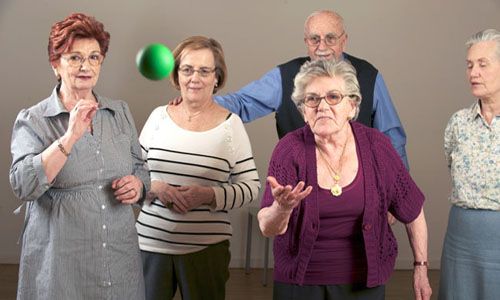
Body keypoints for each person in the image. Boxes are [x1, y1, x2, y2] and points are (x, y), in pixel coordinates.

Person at [257, 59, 432, 300]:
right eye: (312, 99)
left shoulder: (376, 146)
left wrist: (421, 268)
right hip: (299, 284)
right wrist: (282, 207)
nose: (322, 106)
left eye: (333, 97)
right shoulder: (289, 149)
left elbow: (413, 211)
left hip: (363, 284)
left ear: (352, 105)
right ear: (303, 110)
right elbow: (267, 227)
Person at [9, 13, 149, 299]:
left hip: (119, 257)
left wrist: (138, 185)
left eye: (94, 57)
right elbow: (23, 185)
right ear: (55, 65)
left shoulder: (119, 112)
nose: (86, 66)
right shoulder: (34, 120)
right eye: (74, 58)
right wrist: (70, 136)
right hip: (61, 263)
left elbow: (141, 167)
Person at [136, 36, 261, 300]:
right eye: (187, 69)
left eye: (205, 71)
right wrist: (157, 187)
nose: (195, 78)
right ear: (177, 74)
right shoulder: (158, 117)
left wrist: (207, 195)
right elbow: (133, 173)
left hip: (206, 250)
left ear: (217, 77)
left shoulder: (231, 125)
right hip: (149, 245)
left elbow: (251, 188)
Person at [213, 10, 409, 169]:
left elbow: (392, 138)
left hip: (363, 193)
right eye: (314, 39)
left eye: (330, 38)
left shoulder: (369, 76)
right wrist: (199, 104)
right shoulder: (284, 77)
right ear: (306, 42)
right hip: (301, 191)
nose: (322, 47)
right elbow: (241, 103)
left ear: (344, 40)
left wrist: (397, 193)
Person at [438, 29, 500, 300]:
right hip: (461, 237)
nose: (473, 72)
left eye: (482, 64)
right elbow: (452, 167)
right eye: (469, 65)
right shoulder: (458, 123)